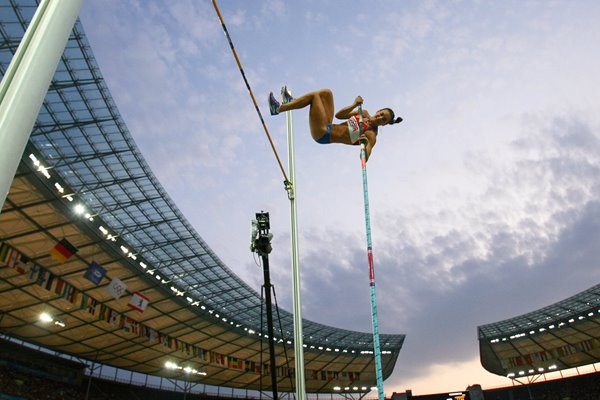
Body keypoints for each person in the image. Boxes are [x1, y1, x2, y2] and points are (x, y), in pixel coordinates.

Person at [268, 87, 401, 161]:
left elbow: (365, 156)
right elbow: (339, 115)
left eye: (383, 120)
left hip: (323, 133)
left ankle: (278, 109)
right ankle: (291, 102)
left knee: (314, 97)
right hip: (329, 124)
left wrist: (365, 147)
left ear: (384, 124)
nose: (379, 117)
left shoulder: (371, 134)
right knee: (327, 93)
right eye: (381, 114)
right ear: (378, 110)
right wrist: (354, 104)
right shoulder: (363, 113)